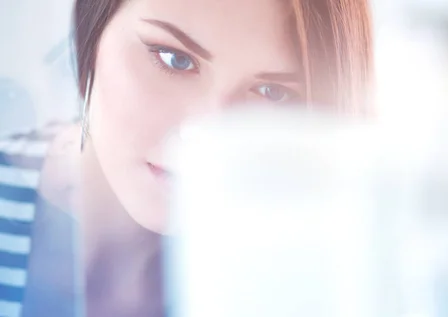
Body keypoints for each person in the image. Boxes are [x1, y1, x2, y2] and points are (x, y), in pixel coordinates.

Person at [0, 0, 374, 316]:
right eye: (174, 59)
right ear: (90, 32)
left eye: (271, 92)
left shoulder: (340, 269)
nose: (203, 134)